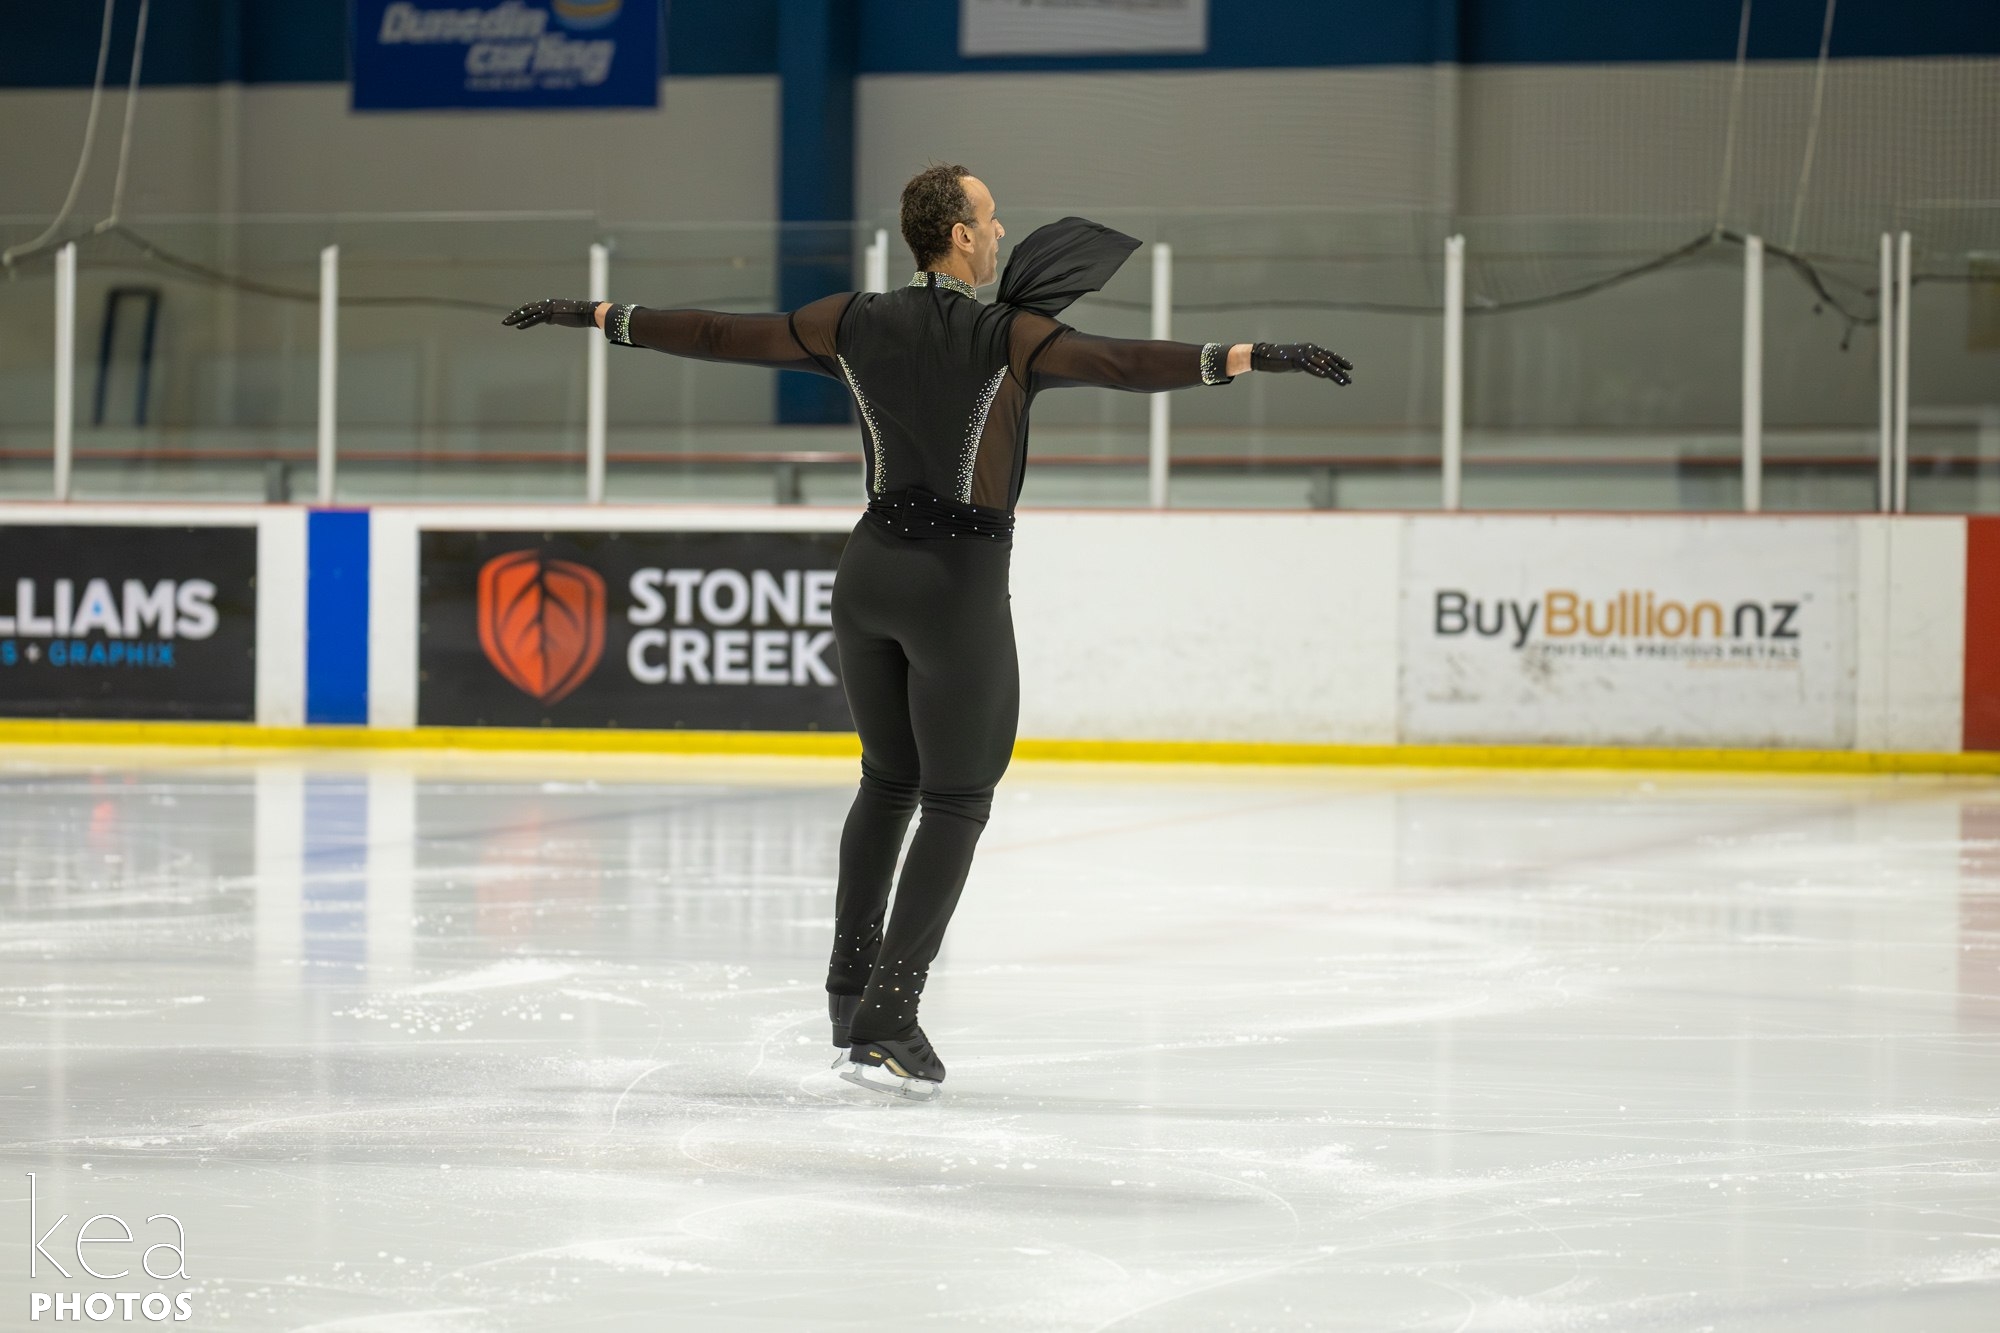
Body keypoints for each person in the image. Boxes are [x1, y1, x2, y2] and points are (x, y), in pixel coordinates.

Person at [503, 164, 1352, 1101]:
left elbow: (715, 334)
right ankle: (889, 1017)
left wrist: (596, 314)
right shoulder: (1006, 336)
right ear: (957, 234)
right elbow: (1120, 364)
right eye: (990, 218)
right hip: (955, 587)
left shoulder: (849, 320)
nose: (1002, 234)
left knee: (888, 782)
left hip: (867, 575)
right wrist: (1250, 356)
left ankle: (849, 994)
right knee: (957, 798)